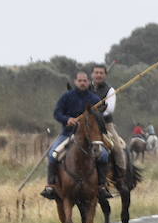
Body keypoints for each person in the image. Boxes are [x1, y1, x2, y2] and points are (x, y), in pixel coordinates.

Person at [40, 70, 109, 200]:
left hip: (89, 138)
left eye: (85, 81)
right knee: (52, 155)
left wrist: (100, 109)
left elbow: (100, 116)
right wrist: (67, 120)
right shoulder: (66, 97)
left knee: (104, 155)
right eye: (80, 81)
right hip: (67, 134)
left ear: (88, 82)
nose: (82, 83)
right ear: (75, 82)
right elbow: (57, 113)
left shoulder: (94, 99)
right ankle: (51, 186)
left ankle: (102, 186)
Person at [89, 64, 126, 192]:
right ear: (92, 74)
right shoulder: (85, 88)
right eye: (96, 73)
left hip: (105, 125)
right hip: (86, 124)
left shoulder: (110, 90)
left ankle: (121, 176)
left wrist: (95, 113)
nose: (98, 75)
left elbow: (109, 109)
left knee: (117, 148)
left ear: (105, 75)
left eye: (101, 73)